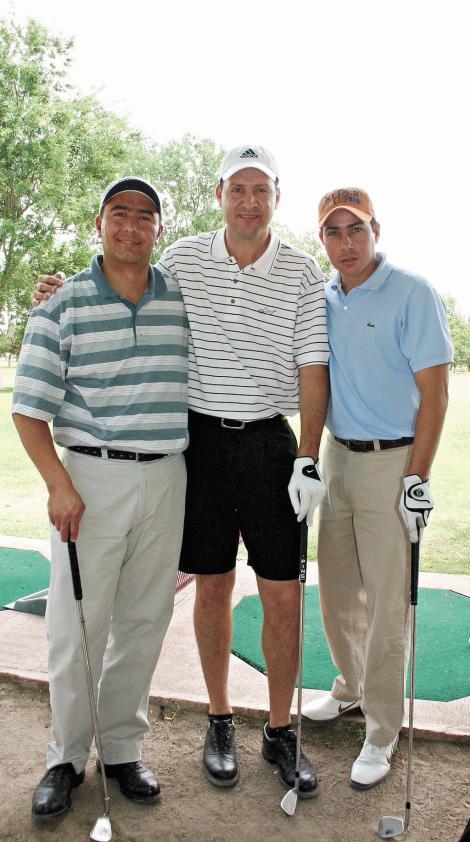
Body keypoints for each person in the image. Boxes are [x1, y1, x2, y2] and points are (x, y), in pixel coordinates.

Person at [34, 145, 330, 799]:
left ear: (276, 196)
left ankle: (280, 731)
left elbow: (314, 369)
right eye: (237, 189)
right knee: (212, 588)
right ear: (219, 195)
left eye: (261, 189)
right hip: (196, 444)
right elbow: (123, 280)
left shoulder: (303, 271)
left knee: (282, 596)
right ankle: (219, 720)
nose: (248, 201)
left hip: (269, 447)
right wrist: (63, 292)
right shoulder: (184, 259)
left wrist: (308, 457)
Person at [13, 177, 188, 820]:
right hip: (90, 478)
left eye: (146, 216)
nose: (132, 226)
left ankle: (121, 748)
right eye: (120, 213)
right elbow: (29, 412)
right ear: (99, 224)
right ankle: (66, 755)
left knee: (143, 622)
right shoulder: (62, 305)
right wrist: (59, 484)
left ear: (158, 230)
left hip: (168, 475)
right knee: (76, 627)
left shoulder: (179, 298)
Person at [302, 187, 453, 790]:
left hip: (393, 463)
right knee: (338, 591)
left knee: (390, 603)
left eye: (355, 229)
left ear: (376, 230)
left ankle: (383, 730)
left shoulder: (412, 293)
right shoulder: (323, 297)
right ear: (322, 240)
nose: (346, 242)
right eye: (333, 232)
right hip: (338, 459)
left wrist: (416, 478)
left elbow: (436, 393)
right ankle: (350, 688)